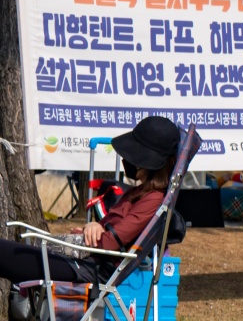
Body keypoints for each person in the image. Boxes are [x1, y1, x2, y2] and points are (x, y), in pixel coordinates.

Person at [0, 116, 179, 287]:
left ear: (149, 162)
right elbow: (104, 230)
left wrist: (90, 234)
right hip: (84, 259)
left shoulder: (153, 200)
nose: (128, 160)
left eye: (134, 154)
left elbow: (110, 242)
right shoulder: (138, 192)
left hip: (92, 267)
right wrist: (92, 227)